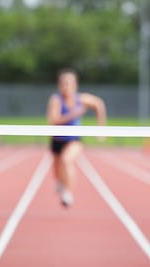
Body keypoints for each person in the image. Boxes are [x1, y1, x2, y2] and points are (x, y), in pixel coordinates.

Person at [47, 68, 106, 207]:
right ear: (59, 85)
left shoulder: (81, 99)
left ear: (75, 85)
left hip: (74, 140)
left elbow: (99, 104)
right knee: (56, 173)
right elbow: (53, 120)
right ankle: (61, 183)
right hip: (57, 140)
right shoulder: (56, 100)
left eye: (69, 83)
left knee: (67, 160)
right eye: (63, 83)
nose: (66, 86)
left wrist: (101, 127)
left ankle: (68, 193)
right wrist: (73, 114)